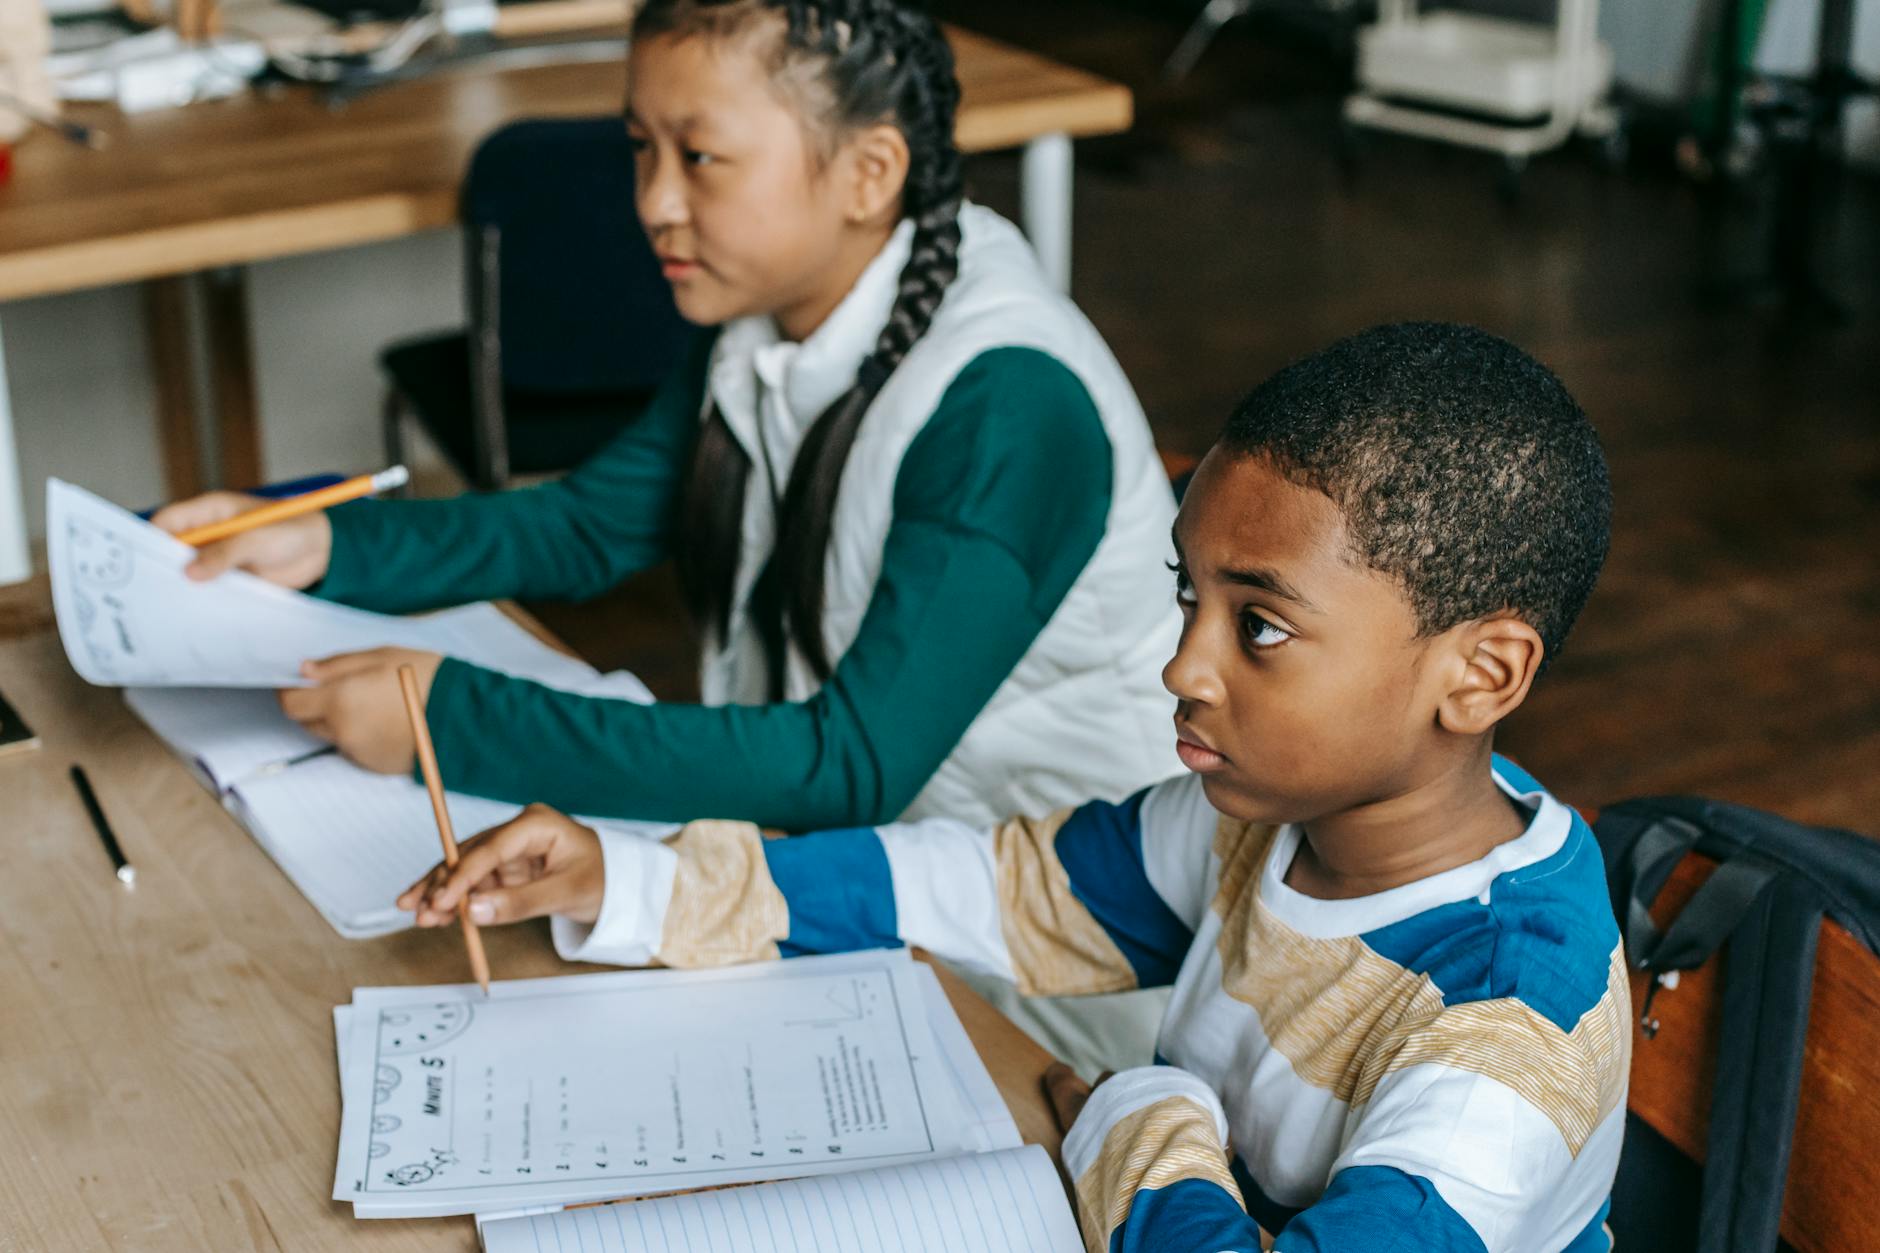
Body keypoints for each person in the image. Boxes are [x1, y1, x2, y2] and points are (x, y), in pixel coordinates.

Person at [404, 323, 1628, 1251]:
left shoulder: (1506, 1032)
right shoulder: (1279, 815)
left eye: (1257, 626)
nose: (1182, 666)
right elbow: (997, 888)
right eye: (1185, 597)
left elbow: (1153, 1129)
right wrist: (629, 878)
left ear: (1479, 674)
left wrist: (1140, 1112)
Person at [152, 0, 1179, 832]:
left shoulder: (1006, 406)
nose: (651, 201)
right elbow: (589, 522)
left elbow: (849, 762)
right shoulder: (763, 312)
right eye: (641, 149)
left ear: (868, 173)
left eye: (698, 158)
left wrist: (449, 717)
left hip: (1041, 953)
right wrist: (321, 540)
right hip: (875, 864)